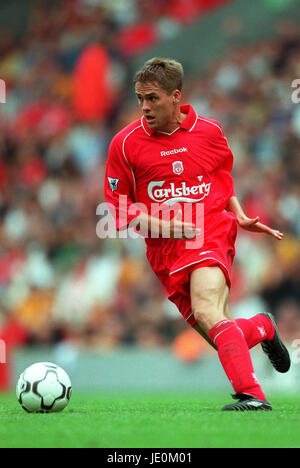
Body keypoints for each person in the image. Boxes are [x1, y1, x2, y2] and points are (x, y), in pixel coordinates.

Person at [104, 57, 290, 411]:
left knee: (207, 308)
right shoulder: (125, 145)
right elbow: (116, 206)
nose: (145, 107)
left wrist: (237, 213)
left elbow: (220, 174)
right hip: (164, 250)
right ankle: (263, 328)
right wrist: (165, 227)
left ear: (176, 97)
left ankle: (252, 397)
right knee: (219, 331)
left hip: (210, 232)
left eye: (153, 98)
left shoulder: (209, 131)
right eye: (140, 99)